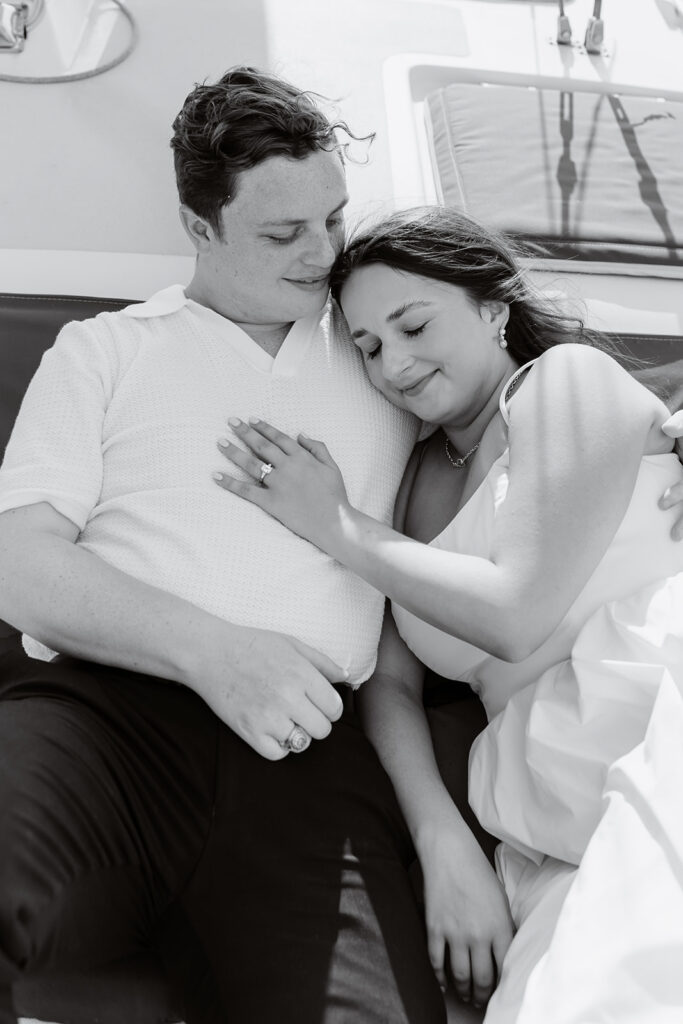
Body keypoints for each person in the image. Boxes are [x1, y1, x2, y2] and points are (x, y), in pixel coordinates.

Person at [0, 69, 447, 1024]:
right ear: (199, 228)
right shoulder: (105, 350)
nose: (322, 253)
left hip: (309, 755)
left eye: (331, 219)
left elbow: (513, 403)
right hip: (102, 722)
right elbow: (20, 565)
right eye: (282, 234)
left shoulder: (379, 348)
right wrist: (218, 653)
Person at [213, 206, 683, 1021]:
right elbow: (388, 688)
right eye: (367, 347)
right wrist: (444, 842)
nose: (393, 363)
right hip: (541, 791)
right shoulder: (415, 475)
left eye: (413, 324)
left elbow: (513, 613)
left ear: (492, 308)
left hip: (649, 707)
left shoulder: (562, 381)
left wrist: (334, 525)